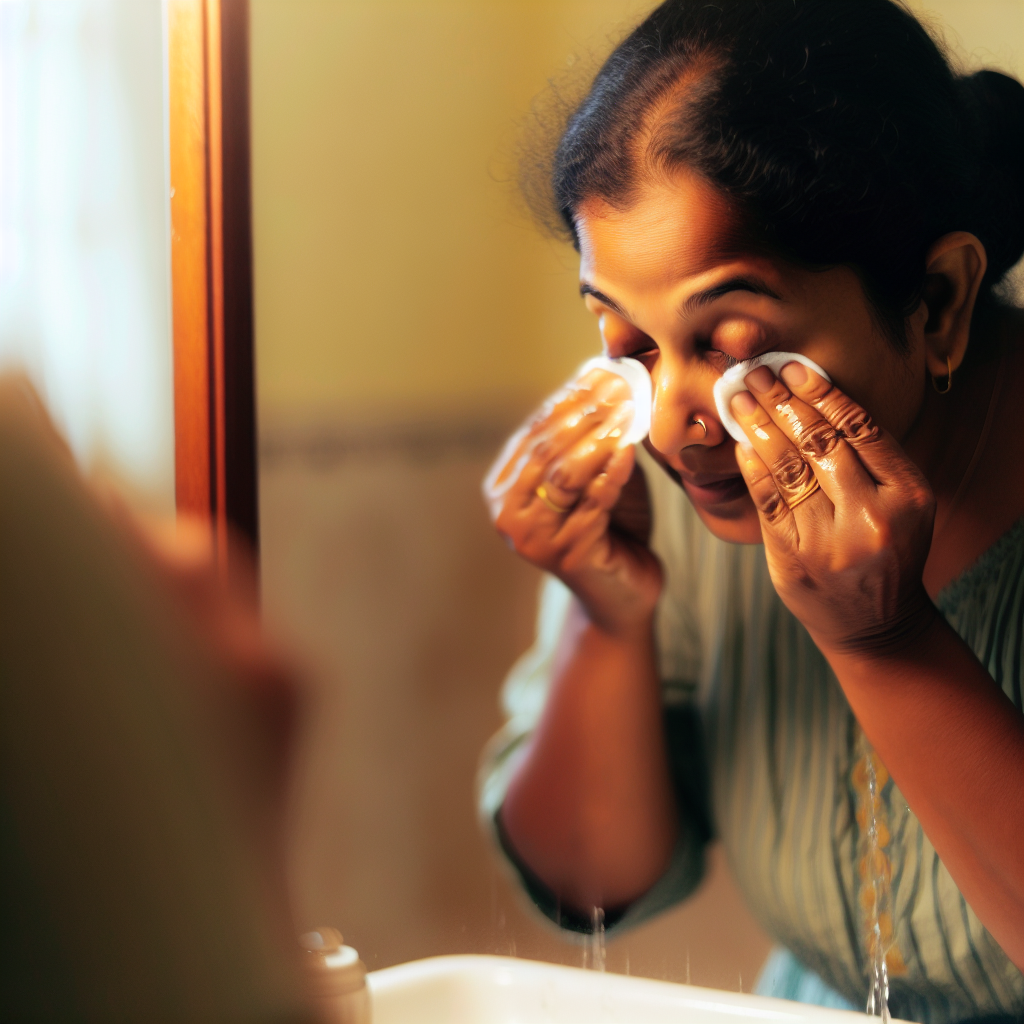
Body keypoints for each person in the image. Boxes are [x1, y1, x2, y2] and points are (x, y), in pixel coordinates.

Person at [478, 2, 1024, 1022]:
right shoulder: (695, 494)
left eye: (728, 342)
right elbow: (591, 889)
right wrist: (608, 618)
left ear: (940, 299)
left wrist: (884, 640)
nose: (678, 419)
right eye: (627, 339)